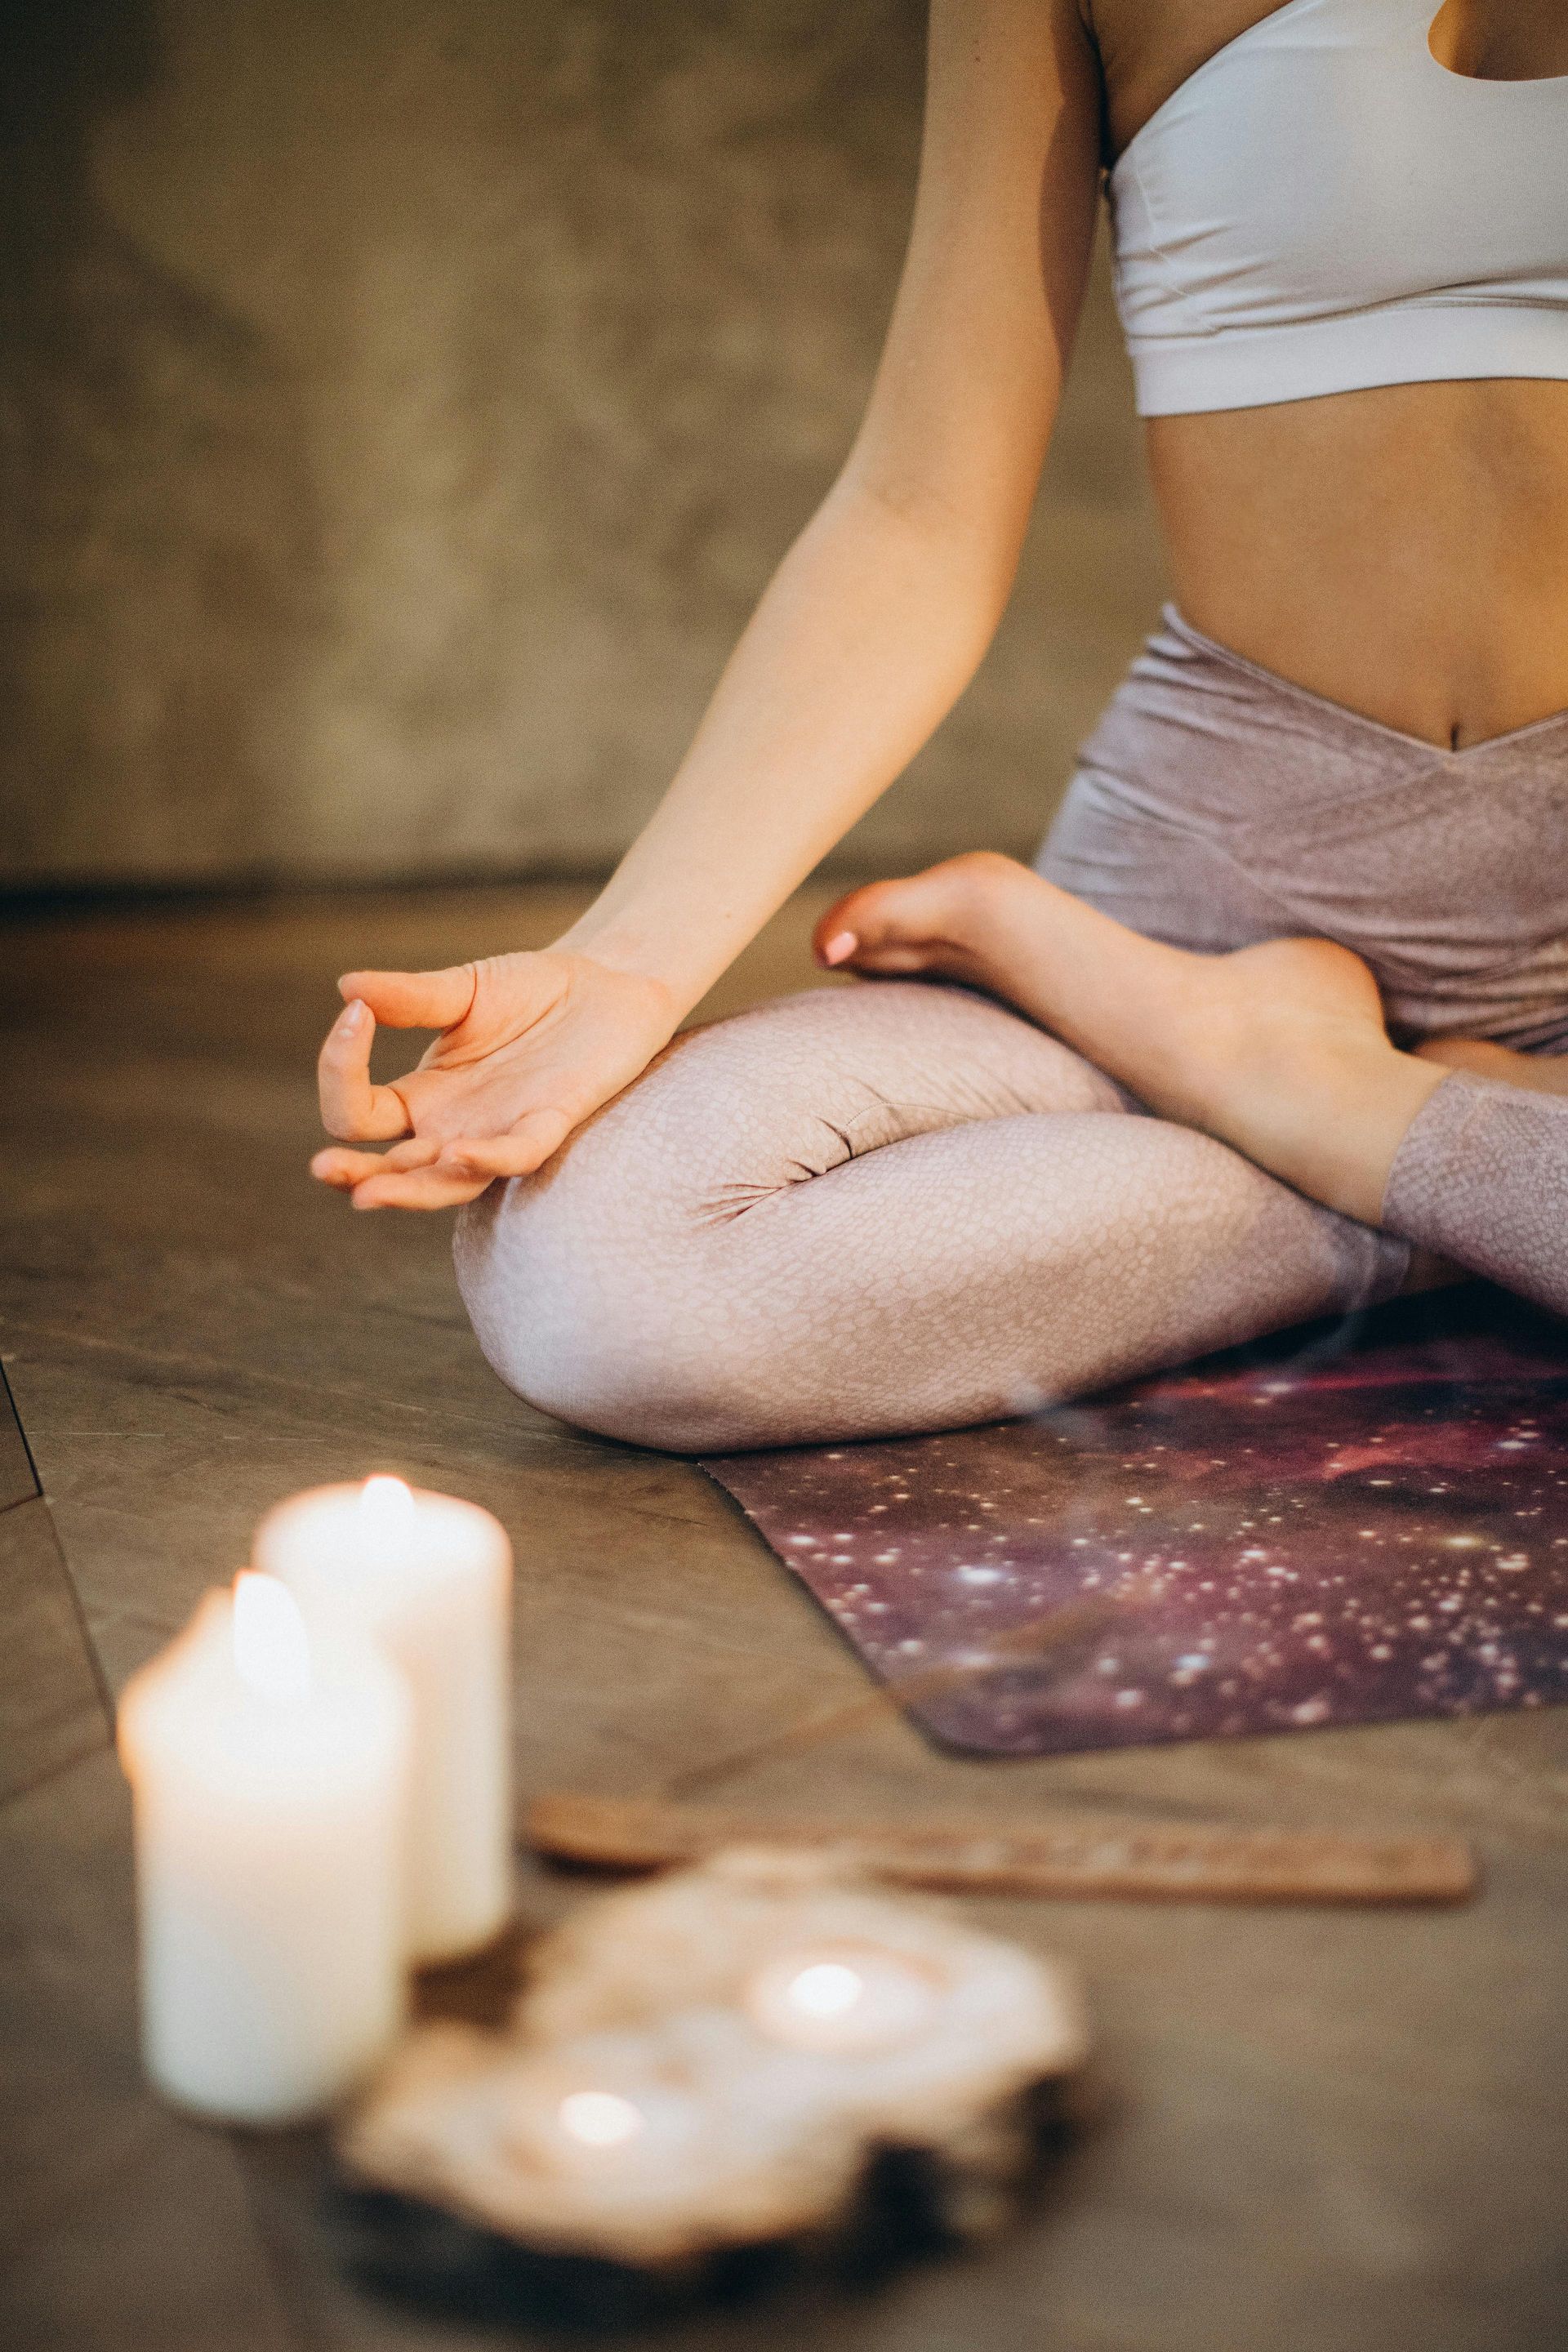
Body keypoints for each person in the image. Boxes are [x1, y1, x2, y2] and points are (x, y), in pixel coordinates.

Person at [312, 0, 1568, 1450]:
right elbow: (921, 514)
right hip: (1198, 914)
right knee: (598, 1272)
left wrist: (1362, 1113)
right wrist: (623, 964)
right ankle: (1462, 1163)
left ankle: (1321, 1102)